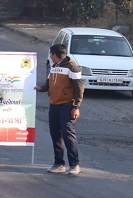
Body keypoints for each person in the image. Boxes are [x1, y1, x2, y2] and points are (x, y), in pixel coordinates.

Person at [34, 43, 84, 176]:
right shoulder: (54, 66)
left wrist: (76, 106)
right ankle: (59, 163)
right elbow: (50, 83)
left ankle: (74, 165)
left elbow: (79, 88)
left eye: (51, 54)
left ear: (54, 54)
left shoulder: (72, 67)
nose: (50, 56)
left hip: (67, 106)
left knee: (68, 134)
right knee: (55, 134)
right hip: (54, 105)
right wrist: (42, 88)